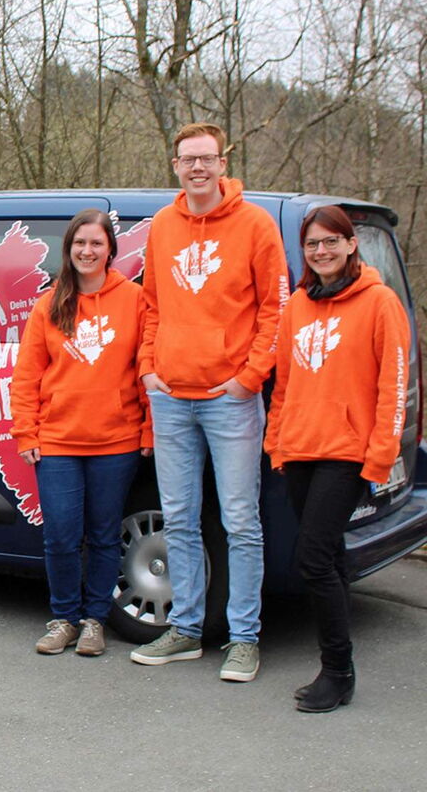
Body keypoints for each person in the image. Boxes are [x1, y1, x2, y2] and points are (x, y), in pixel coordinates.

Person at [129, 122, 288, 682]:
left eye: (207, 158)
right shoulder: (164, 225)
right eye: (187, 159)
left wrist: (250, 378)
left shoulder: (255, 225)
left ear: (223, 164)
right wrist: (149, 369)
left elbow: (276, 309)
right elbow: (149, 306)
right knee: (180, 519)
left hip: (231, 401)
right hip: (171, 398)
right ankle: (188, 629)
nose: (197, 167)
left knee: (241, 521)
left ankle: (244, 638)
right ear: (175, 165)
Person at [263, 205, 409, 712]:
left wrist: (380, 459)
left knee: (312, 559)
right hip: (300, 449)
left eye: (331, 241)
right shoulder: (297, 305)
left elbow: (393, 386)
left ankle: (337, 669)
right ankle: (339, 654)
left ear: (351, 245)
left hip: (347, 453)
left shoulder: (380, 302)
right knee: (332, 557)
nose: (321, 251)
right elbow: (284, 385)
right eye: (312, 244)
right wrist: (277, 444)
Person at [12, 210, 152, 656]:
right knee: (61, 535)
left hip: (117, 440)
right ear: (68, 250)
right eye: (79, 244)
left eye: (96, 243)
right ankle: (64, 619)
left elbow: (146, 367)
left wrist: (148, 430)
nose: (87, 252)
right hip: (57, 442)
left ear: (111, 248)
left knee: (106, 535)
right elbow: (27, 375)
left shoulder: (134, 299)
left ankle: (95, 621)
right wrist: (26, 434)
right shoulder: (49, 304)